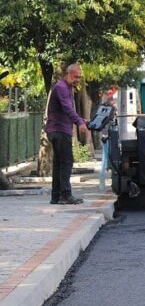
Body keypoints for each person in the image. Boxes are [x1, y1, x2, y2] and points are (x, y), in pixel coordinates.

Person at [45, 62, 89, 205]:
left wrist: (81, 120)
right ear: (68, 74)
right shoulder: (62, 87)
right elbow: (66, 108)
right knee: (66, 162)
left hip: (57, 130)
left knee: (59, 163)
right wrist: (79, 122)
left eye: (79, 77)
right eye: (75, 77)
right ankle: (65, 195)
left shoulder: (67, 87)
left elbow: (67, 110)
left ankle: (56, 196)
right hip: (59, 130)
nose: (77, 79)